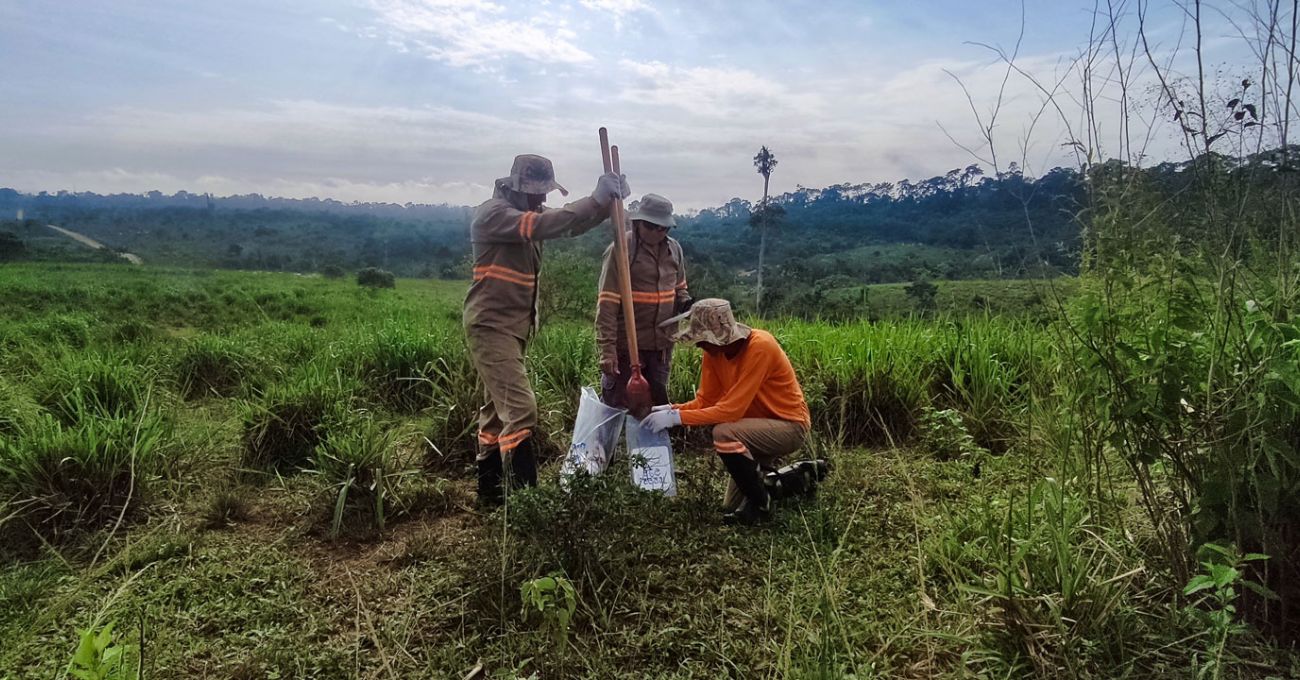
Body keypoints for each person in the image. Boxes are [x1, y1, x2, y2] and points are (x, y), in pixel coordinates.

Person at [465, 154, 628, 506]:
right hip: (491, 325)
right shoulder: (494, 214)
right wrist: (596, 197)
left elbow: (567, 226)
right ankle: (528, 504)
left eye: (544, 194)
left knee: (497, 410)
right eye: (536, 194)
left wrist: (605, 204)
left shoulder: (527, 214)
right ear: (516, 188)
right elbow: (543, 225)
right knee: (521, 410)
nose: (542, 200)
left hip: (514, 327)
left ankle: (489, 495)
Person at [642, 298, 824, 524]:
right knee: (730, 504)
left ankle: (761, 508)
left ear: (720, 337)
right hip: (752, 429)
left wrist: (675, 418)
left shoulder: (760, 347)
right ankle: (797, 476)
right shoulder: (714, 354)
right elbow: (706, 401)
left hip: (788, 426)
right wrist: (672, 409)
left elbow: (731, 411)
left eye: (702, 340)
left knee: (724, 433)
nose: (700, 346)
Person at [595, 192, 691, 409]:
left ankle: (649, 443)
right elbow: (607, 304)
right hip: (627, 345)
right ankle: (612, 442)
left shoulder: (674, 249)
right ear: (638, 223)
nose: (658, 232)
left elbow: (680, 287)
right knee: (617, 404)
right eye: (651, 226)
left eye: (663, 228)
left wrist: (686, 303)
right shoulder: (620, 250)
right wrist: (607, 350)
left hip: (661, 346)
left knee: (655, 404)